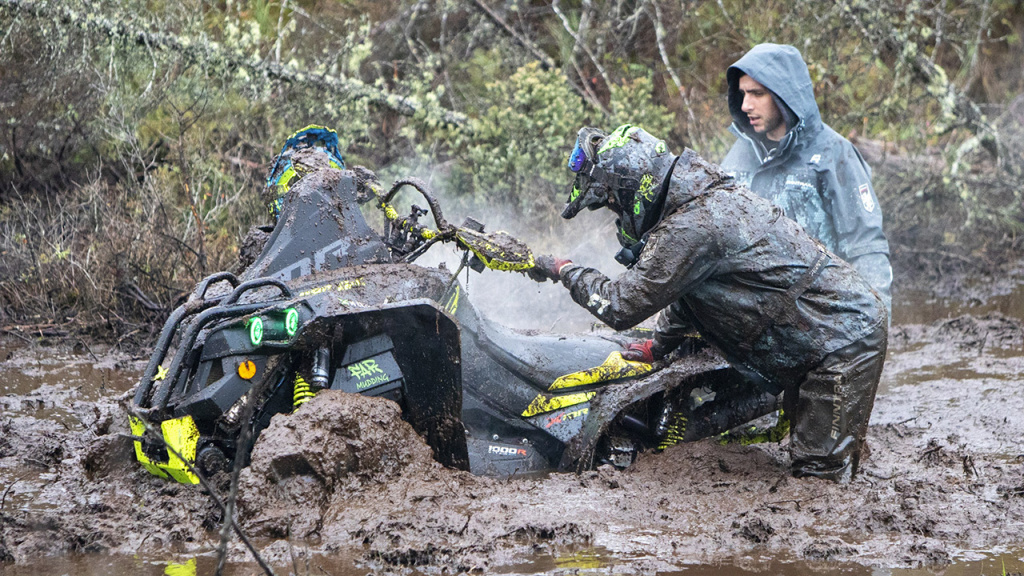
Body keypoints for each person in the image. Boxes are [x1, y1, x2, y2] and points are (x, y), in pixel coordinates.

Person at [529, 124, 888, 482]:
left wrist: (567, 271)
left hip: (841, 340)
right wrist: (660, 345)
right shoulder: (699, 201)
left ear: (629, 188)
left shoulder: (691, 226)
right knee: (811, 451)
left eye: (610, 203)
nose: (614, 213)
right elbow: (689, 290)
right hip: (822, 333)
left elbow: (621, 306)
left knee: (818, 480)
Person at [720, 43, 892, 313]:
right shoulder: (738, 155)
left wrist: (874, 329)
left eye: (757, 94)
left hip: (818, 316)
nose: (746, 105)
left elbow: (866, 247)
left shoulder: (834, 154)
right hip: (749, 316)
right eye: (742, 94)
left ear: (784, 95)